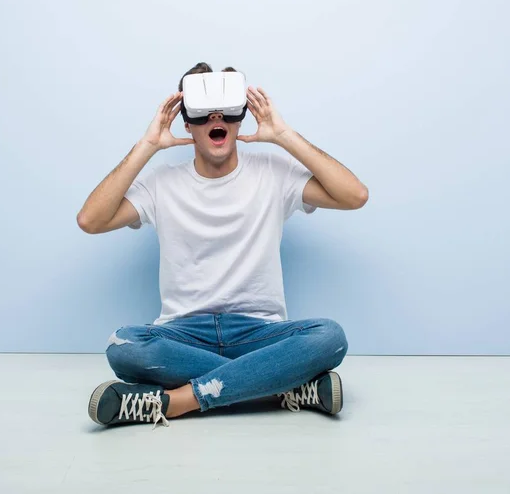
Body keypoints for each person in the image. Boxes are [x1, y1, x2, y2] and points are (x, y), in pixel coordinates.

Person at [77, 62, 369, 429]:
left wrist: (283, 134)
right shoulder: (161, 183)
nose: (216, 118)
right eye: (202, 114)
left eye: (228, 112)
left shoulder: (273, 173)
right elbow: (91, 220)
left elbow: (355, 195)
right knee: (124, 346)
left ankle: (173, 402)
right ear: (187, 123)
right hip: (184, 335)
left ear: (240, 118)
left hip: (259, 333)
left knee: (330, 337)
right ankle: (281, 388)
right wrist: (148, 145)